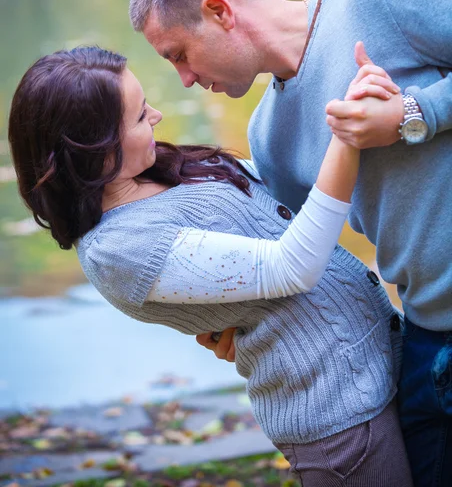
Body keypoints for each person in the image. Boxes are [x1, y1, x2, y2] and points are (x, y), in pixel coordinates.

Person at [129, 0, 452, 487]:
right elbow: (304, 264)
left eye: (179, 53)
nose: (184, 79)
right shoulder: (268, 137)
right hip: (425, 343)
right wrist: (233, 321)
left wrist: (412, 113)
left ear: (219, 11)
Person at [9, 46, 413, 486]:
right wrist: (346, 136)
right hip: (341, 420)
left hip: (382, 363)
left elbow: (277, 200)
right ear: (95, 152)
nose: (158, 116)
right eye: (142, 116)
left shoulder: (152, 169)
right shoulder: (118, 250)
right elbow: (291, 267)